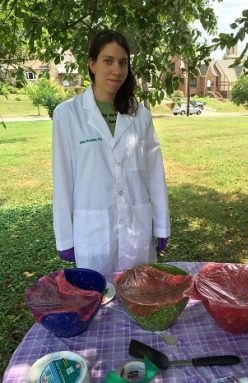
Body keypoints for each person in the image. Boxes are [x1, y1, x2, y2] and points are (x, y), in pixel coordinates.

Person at [52, 29, 170, 274]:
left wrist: (161, 225)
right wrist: (64, 237)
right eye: (108, 61)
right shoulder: (68, 115)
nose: (117, 70)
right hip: (92, 231)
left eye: (123, 62)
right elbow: (62, 180)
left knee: (139, 297)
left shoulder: (140, 115)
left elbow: (154, 175)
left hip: (137, 229)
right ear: (92, 64)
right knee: (99, 300)